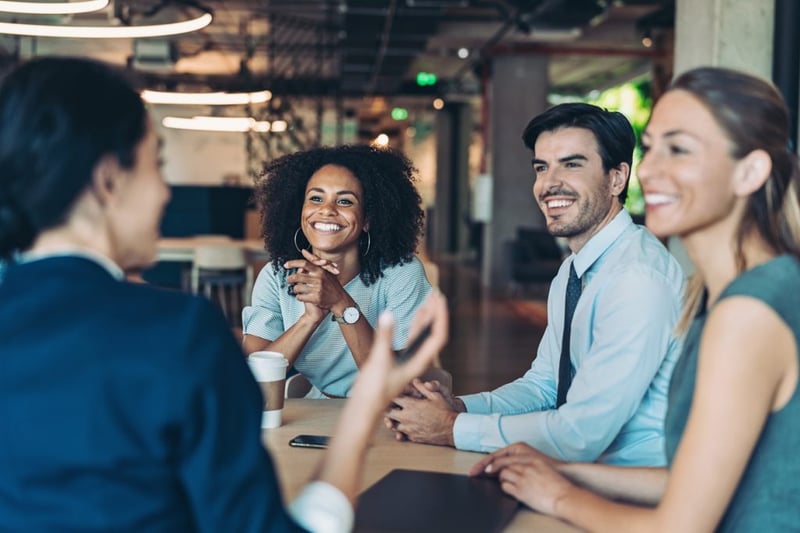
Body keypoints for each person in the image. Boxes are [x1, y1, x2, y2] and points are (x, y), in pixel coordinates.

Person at [0, 56, 448, 532]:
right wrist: (362, 414)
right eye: (157, 166)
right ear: (110, 180)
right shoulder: (177, 333)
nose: (165, 194)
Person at [471, 67, 800, 532]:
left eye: (680, 150)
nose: (649, 170)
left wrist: (560, 494)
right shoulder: (724, 292)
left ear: (749, 172)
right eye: (654, 147)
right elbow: (694, 479)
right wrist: (567, 474)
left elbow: (680, 526)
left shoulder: (747, 312)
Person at [387, 103, 685, 466]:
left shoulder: (637, 279)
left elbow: (580, 435)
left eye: (572, 164)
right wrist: (460, 408)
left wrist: (451, 428)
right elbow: (544, 387)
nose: (549, 183)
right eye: (542, 167)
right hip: (574, 469)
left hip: (629, 486)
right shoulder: (574, 270)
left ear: (617, 179)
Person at [242, 144, 433, 398]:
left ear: (367, 219)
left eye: (345, 201)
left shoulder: (402, 274)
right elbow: (254, 377)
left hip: (388, 412)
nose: (327, 210)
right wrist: (309, 319)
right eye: (316, 198)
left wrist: (340, 302)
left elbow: (391, 382)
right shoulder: (277, 276)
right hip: (313, 413)